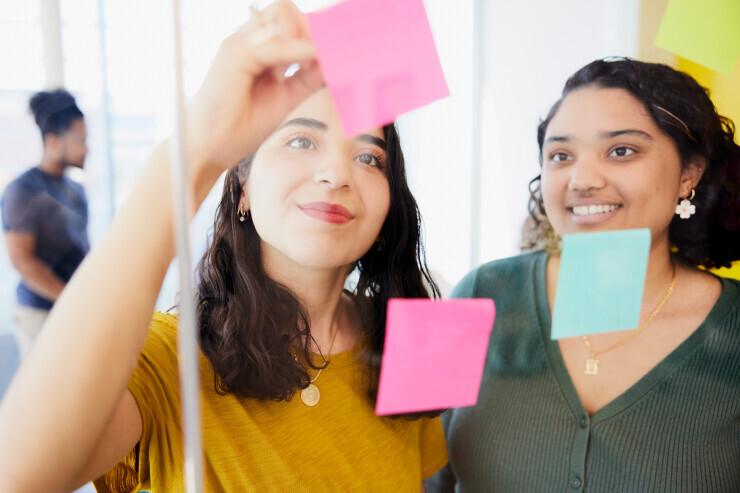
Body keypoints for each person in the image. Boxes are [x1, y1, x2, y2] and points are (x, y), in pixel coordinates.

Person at [0, 2, 447, 491]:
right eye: (301, 141)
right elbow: (19, 473)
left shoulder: (411, 337)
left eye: (368, 156)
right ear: (242, 190)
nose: (336, 174)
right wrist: (194, 154)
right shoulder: (173, 357)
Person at [428, 58, 740, 492]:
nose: (582, 179)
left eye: (621, 150)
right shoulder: (477, 293)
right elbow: (415, 470)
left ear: (689, 173)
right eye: (561, 155)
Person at [0, 89, 89, 357]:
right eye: (80, 140)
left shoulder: (76, 189)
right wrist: (69, 299)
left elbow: (83, 248)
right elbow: (22, 261)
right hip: (39, 314)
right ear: (52, 141)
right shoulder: (22, 189)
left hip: (72, 309)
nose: (87, 148)